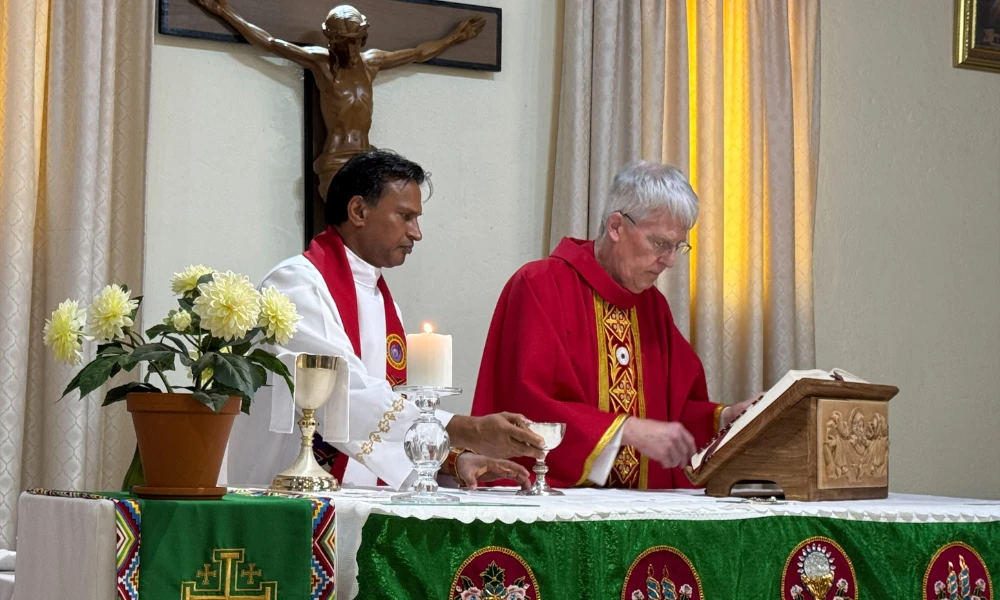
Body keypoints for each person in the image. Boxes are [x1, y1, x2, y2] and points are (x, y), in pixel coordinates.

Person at [227, 150, 543, 490]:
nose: (416, 233)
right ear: (359, 211)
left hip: (356, 496)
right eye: (405, 216)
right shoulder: (296, 284)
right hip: (287, 494)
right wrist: (465, 429)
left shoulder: (380, 298)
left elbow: (385, 415)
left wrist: (450, 460)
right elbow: (342, 395)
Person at [472, 161, 757, 489]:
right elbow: (528, 407)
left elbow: (674, 410)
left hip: (640, 515)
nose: (670, 260)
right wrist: (626, 430)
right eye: (660, 244)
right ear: (617, 226)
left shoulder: (652, 307)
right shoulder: (539, 286)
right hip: (557, 508)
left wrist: (724, 418)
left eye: (678, 246)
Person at [195, 0, 485, 198]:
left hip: (367, 158)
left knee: (376, 226)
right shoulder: (320, 62)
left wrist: (454, 38)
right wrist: (224, 11)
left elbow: (419, 53)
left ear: (363, 38)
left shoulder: (372, 62)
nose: (347, 48)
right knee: (347, 228)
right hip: (335, 160)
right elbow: (271, 43)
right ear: (329, 39)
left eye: (353, 41)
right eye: (340, 42)